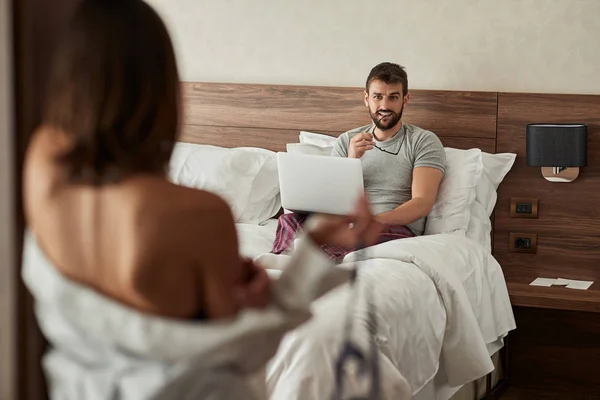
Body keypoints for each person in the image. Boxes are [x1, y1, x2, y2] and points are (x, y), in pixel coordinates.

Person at [20, 0, 383, 398]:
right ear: (161, 85)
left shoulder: (42, 165)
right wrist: (305, 260)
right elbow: (243, 349)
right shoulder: (197, 215)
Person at [272, 62, 446, 261]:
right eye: (378, 97)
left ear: (405, 100)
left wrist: (372, 221)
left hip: (393, 229)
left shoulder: (423, 141)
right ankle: (282, 261)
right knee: (290, 219)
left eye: (393, 97)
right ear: (367, 98)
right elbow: (331, 199)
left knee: (355, 237)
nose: (385, 106)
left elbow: (422, 203)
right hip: (347, 224)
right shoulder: (347, 140)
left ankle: (311, 260)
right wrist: (351, 160)